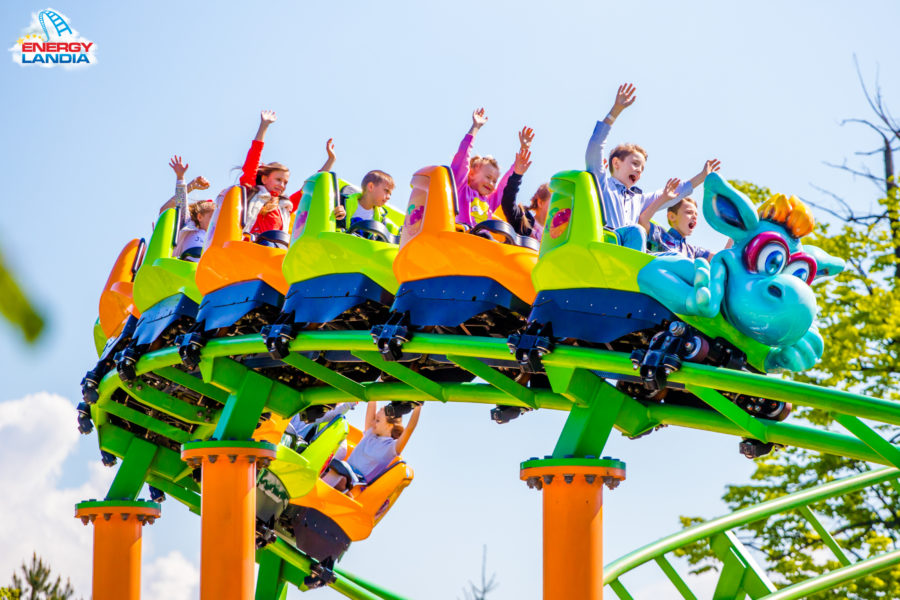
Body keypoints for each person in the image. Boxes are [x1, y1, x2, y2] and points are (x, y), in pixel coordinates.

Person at [585, 83, 720, 250]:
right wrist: (615, 111)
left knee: (667, 257)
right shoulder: (602, 182)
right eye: (634, 164)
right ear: (616, 163)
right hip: (608, 243)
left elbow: (675, 193)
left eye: (641, 169)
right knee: (637, 230)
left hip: (628, 249)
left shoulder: (638, 199)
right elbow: (595, 146)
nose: (638, 171)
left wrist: (701, 176)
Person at [238, 110, 341, 235]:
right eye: (278, 179)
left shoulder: (285, 205)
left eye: (285, 182)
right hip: (248, 245)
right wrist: (264, 126)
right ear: (264, 179)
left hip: (273, 249)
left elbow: (310, 186)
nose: (282, 185)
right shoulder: (251, 191)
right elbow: (253, 159)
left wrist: (331, 160)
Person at [451, 108, 533, 228]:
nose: (491, 183)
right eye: (488, 177)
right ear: (472, 173)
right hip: (464, 235)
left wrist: (523, 151)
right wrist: (475, 127)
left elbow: (505, 185)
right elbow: (463, 158)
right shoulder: (462, 189)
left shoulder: (490, 201)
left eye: (494, 181)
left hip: (482, 242)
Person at [323, 401, 422, 493]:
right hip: (339, 469)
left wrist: (418, 406)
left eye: (377, 420)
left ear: (390, 426)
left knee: (340, 474)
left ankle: (318, 491)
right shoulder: (370, 433)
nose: (372, 423)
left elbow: (410, 429)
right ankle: (316, 487)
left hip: (355, 484)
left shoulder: (391, 448)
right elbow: (372, 401)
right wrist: (379, 382)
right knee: (336, 463)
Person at [159, 155, 215, 260]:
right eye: (212, 217)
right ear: (200, 217)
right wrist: (181, 177)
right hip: (186, 266)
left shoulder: (215, 237)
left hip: (205, 271)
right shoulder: (190, 227)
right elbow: (181, 202)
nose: (215, 221)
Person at [639, 197, 716, 260]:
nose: (694, 216)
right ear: (672, 216)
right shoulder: (660, 234)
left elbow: (718, 258)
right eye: (689, 212)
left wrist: (728, 230)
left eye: (696, 214)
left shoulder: (692, 251)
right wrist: (664, 197)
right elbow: (642, 220)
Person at [500, 146, 550, 241]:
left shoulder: (552, 237)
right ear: (540, 203)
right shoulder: (524, 219)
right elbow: (507, 203)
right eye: (554, 201)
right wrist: (517, 175)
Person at [342, 170, 403, 237]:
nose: (389, 197)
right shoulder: (344, 204)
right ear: (371, 187)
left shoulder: (381, 218)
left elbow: (396, 231)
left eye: (390, 194)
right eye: (386, 191)